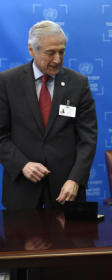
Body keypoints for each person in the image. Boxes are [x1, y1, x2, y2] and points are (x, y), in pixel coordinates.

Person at [0, 20, 98, 209]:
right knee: (22, 239)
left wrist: (75, 180)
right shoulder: (7, 82)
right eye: (50, 53)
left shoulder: (79, 83)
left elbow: (88, 139)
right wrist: (22, 164)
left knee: (70, 239)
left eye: (61, 51)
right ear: (31, 50)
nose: (57, 59)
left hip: (67, 188)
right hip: (22, 187)